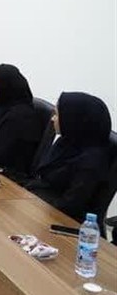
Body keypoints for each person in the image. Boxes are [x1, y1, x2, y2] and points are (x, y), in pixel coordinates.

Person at [25, 92, 112, 223]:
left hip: (63, 221)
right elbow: (44, 178)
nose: (52, 119)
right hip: (41, 206)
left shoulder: (92, 161)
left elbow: (69, 206)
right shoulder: (67, 142)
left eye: (57, 115)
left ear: (74, 119)